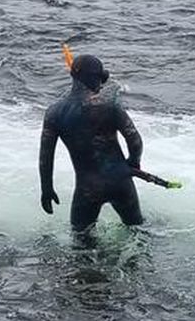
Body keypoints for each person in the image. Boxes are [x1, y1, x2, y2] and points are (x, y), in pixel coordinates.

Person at [39, 51, 146, 234]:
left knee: (81, 241)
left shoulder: (54, 113)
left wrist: (47, 189)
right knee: (137, 231)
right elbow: (135, 140)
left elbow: (46, 158)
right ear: (96, 79)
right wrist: (132, 163)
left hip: (88, 189)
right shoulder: (110, 106)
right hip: (121, 182)